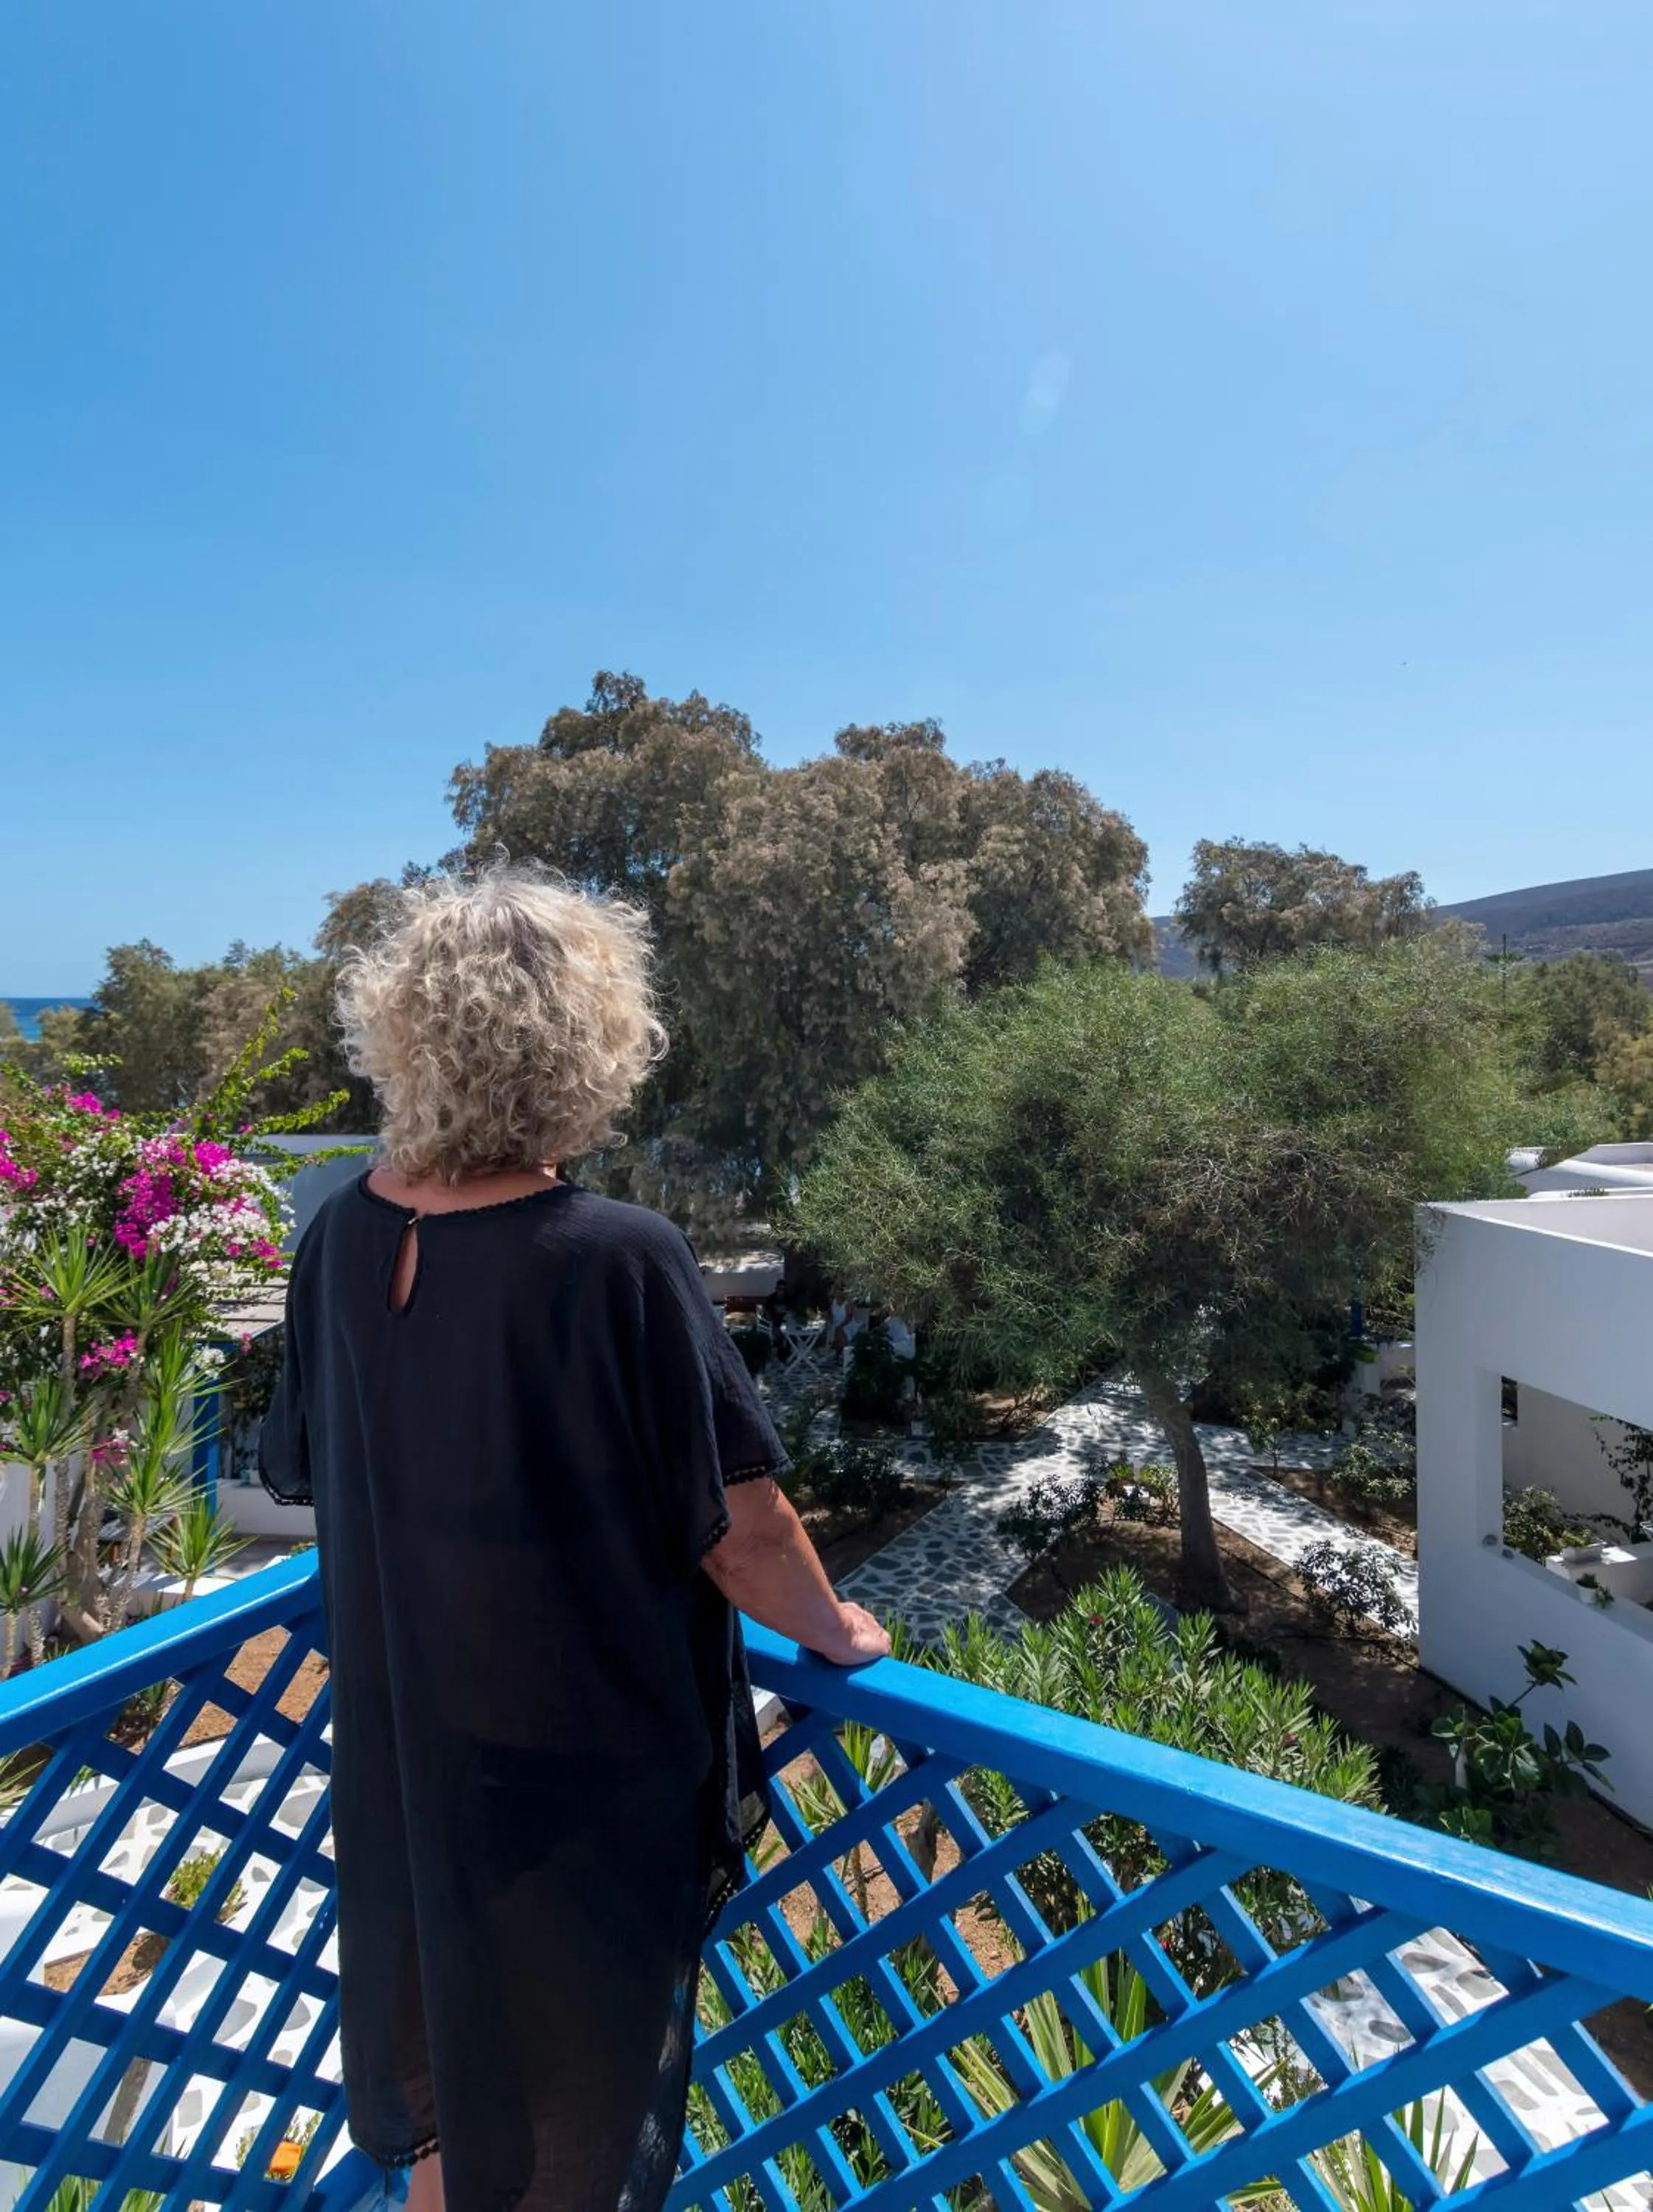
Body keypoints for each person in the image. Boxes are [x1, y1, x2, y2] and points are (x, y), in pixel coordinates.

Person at [259, 869, 889, 2212]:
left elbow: (328, 1461)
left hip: (415, 1751)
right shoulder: (614, 1254)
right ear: (588, 1046)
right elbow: (738, 1524)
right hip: (574, 1766)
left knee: (454, 2070)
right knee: (565, 2107)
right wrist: (838, 1630)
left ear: (406, 1034)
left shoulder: (339, 1231)